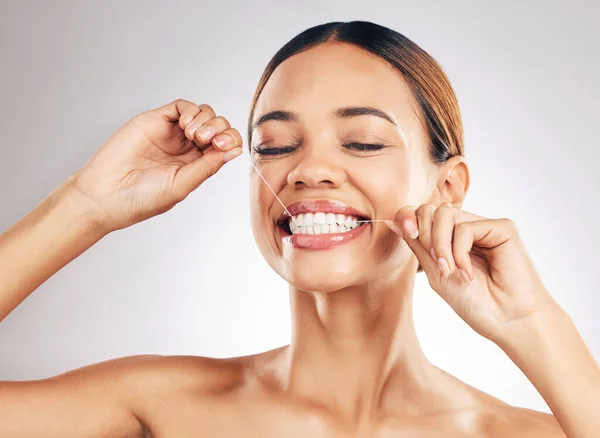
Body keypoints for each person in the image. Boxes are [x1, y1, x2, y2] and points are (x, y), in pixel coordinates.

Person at [0, 20, 597, 438]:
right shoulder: (159, 407)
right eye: (276, 145)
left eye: (362, 141)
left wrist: (535, 327)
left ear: (448, 189)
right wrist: (85, 205)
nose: (308, 170)